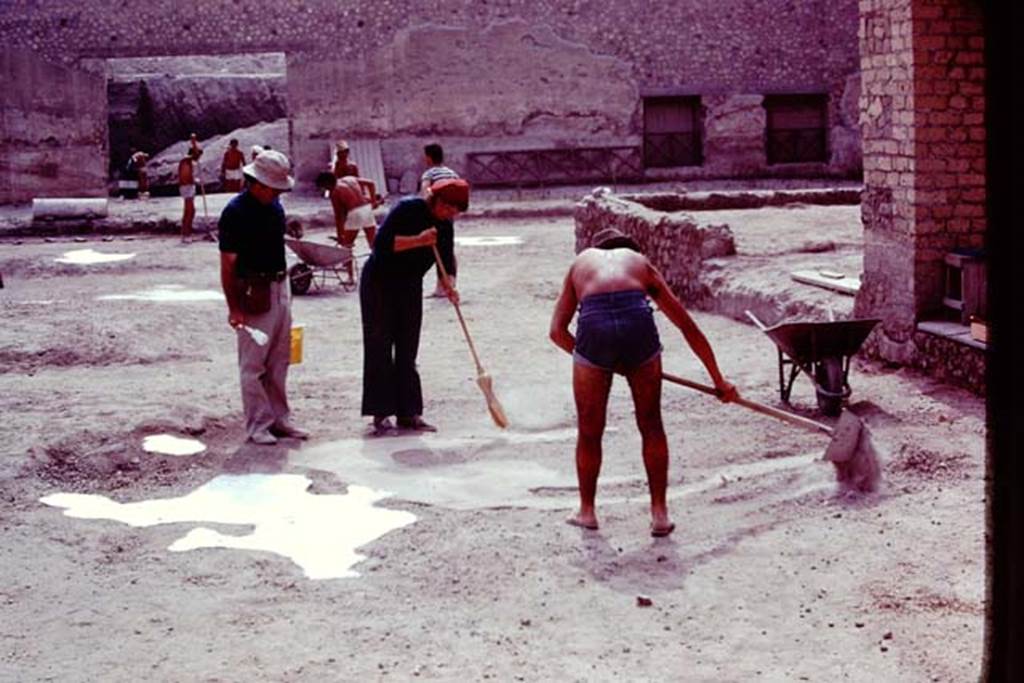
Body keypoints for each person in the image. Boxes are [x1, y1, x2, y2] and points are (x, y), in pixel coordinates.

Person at [549, 227, 738, 537]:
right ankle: (660, 514)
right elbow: (687, 326)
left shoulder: (580, 263)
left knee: (589, 429)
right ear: (629, 249)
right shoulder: (640, 262)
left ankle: (586, 511)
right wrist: (720, 381)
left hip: (593, 326)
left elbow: (557, 332)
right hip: (637, 321)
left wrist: (593, 361)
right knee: (651, 424)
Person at [359, 178, 469, 435]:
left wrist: (449, 284)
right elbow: (381, 245)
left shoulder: (445, 224)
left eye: (455, 212)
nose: (450, 215)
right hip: (380, 283)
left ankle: (409, 413)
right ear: (437, 200)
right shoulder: (408, 208)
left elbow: (446, 256)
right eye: (449, 208)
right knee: (380, 344)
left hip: (409, 285)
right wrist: (419, 240)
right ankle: (381, 413)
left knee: (408, 348)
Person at [218, 149, 309, 445]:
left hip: (281, 287)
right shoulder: (235, 213)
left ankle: (280, 419)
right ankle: (258, 424)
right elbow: (228, 265)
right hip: (253, 291)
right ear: (256, 183)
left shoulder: (275, 208)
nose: (278, 194)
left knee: (280, 359)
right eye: (274, 188)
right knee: (253, 364)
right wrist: (234, 308)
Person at [315, 171, 379, 284]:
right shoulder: (349, 178)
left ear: (327, 184)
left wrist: (340, 236)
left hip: (355, 213)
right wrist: (373, 200)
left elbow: (339, 217)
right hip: (367, 209)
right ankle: (382, 273)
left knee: (346, 247)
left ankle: (350, 278)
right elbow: (371, 183)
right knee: (374, 245)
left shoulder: (334, 192)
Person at [419, 143, 461, 297]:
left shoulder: (429, 174)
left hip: (436, 216)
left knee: (436, 249)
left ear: (429, 157)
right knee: (447, 249)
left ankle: (443, 287)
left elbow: (426, 194)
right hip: (449, 216)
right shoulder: (452, 173)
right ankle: (447, 284)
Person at [177, 146, 201, 243]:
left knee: (191, 211)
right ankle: (185, 234)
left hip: (190, 187)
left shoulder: (190, 162)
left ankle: (186, 232)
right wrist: (195, 181)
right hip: (186, 187)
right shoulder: (185, 162)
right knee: (189, 211)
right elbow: (185, 176)